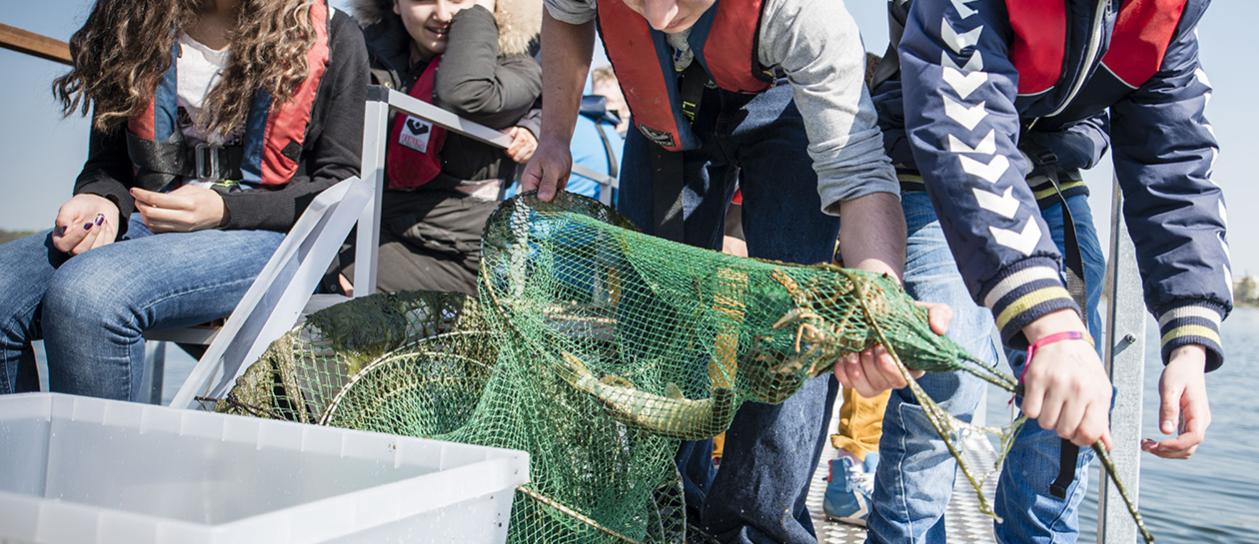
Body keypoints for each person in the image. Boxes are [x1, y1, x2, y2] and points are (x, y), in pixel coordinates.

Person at [836, 0, 1234, 542]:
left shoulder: (1168, 15)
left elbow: (1175, 163)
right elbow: (962, 120)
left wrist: (1189, 341)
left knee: (1070, 410)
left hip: (1049, 172)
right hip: (931, 161)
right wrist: (1051, 322)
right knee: (943, 383)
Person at [525, 0, 911, 541]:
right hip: (663, 109)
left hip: (785, 105)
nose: (660, 13)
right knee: (650, 313)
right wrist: (555, 137)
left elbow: (859, 171)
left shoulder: (805, 16)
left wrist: (879, 288)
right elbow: (566, 16)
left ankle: (761, 526)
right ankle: (663, 507)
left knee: (797, 320)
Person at [0, 0, 367, 401]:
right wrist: (101, 199)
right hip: (148, 225)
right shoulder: (132, 19)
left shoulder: (336, 34)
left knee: (89, 295)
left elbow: (337, 184)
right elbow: (107, 164)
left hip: (270, 233)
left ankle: (92, 462)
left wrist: (225, 210)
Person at [335, 0, 543, 294]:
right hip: (371, 224)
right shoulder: (363, 52)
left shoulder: (518, 66)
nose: (443, 14)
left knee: (335, 278)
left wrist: (479, 14)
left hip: (456, 255)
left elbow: (464, 94)